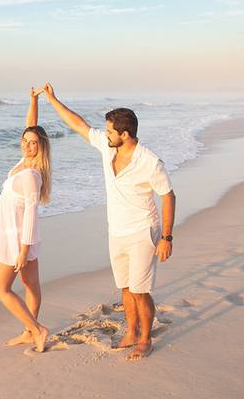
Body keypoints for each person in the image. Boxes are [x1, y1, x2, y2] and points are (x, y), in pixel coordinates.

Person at [41, 82, 176, 360]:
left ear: (125, 134)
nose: (106, 134)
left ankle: (145, 339)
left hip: (142, 231)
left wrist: (166, 238)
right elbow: (78, 125)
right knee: (125, 288)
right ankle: (130, 332)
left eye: (111, 131)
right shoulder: (108, 146)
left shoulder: (150, 162)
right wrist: (53, 100)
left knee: (141, 291)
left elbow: (168, 196)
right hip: (117, 231)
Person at [0, 87, 52, 352]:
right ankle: (29, 331)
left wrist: (23, 252)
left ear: (41, 147)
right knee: (30, 284)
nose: (27, 144)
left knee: (0, 289)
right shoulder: (25, 161)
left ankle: (37, 329)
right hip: (17, 236)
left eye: (33, 143)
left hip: (16, 239)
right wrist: (33, 100)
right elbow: (31, 127)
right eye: (25, 140)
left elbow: (32, 217)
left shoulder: (31, 176)